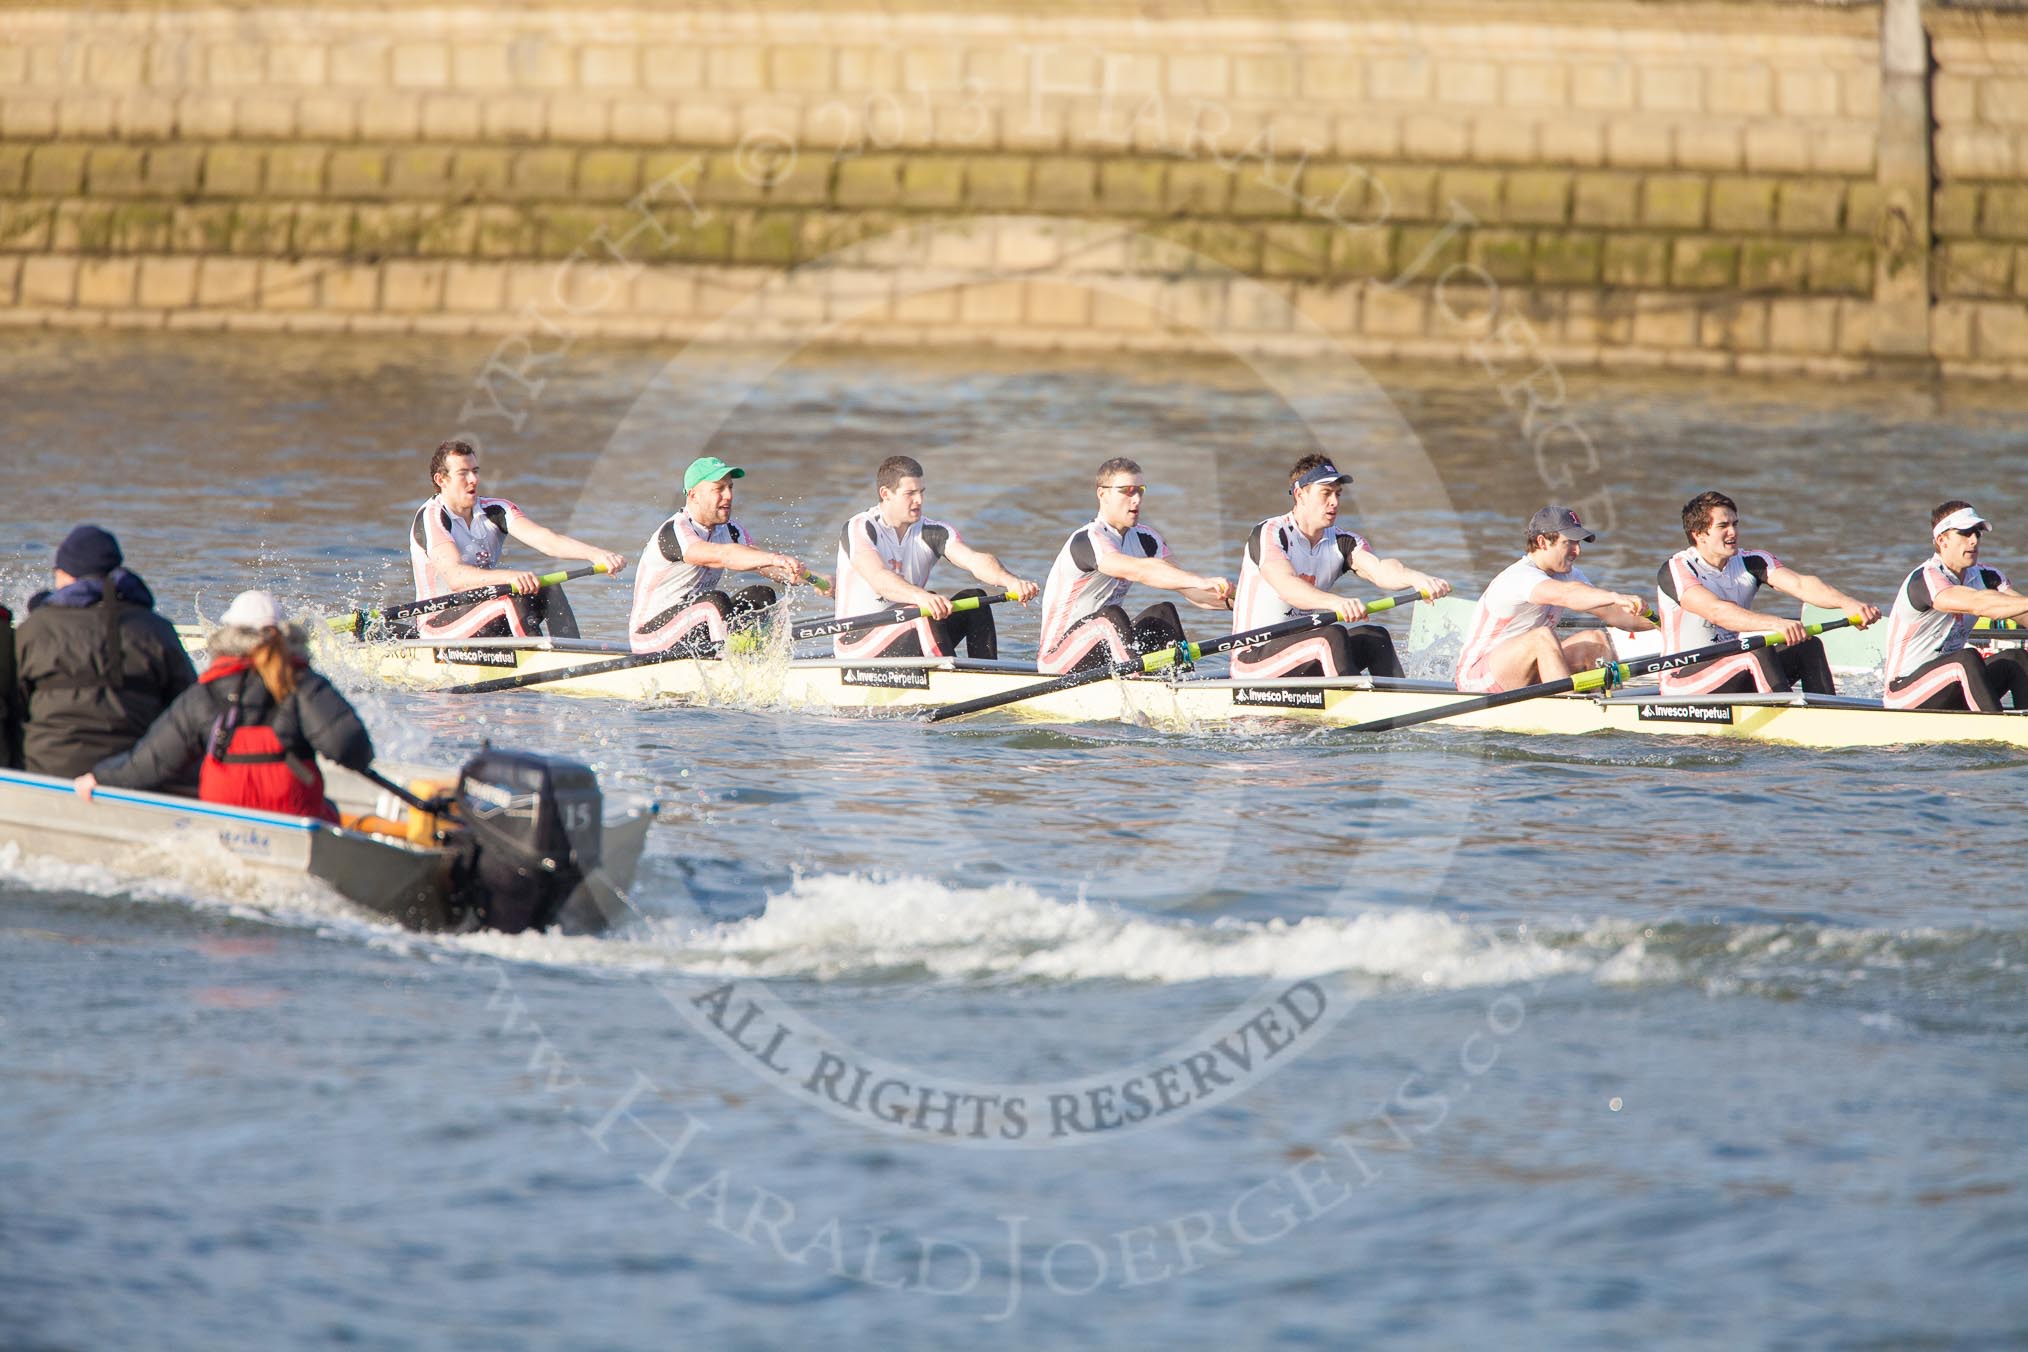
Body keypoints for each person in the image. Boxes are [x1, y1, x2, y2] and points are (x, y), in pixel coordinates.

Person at [76, 591, 373, 822]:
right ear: (285, 636)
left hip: (223, 813)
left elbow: (149, 763)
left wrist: (101, 776)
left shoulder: (204, 692)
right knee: (330, 808)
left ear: (228, 635)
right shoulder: (303, 683)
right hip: (293, 813)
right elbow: (352, 749)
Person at [1229, 455, 1452, 680]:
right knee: (1330, 636)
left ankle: (1403, 702)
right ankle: (1356, 706)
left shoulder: (1342, 541)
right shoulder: (1271, 533)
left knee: (1374, 636)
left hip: (1303, 656)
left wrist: (1416, 578)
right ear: (1300, 495)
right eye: (1326, 493)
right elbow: (1286, 585)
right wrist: (1336, 602)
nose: (1334, 502)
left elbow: (1380, 569)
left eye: (1338, 494)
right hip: (1252, 660)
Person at [12, 524, 198, 779]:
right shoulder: (156, 629)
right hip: (134, 775)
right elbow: (186, 708)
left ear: (66, 575)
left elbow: (12, 705)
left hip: (47, 768)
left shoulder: (34, 629)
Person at [1655, 490, 1879, 697]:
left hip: (1731, 668)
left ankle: (1827, 712)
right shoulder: (1678, 569)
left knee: (1806, 643)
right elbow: (1717, 612)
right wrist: (1776, 624)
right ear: (1699, 535)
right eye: (1723, 526)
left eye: (1735, 523)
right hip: (1682, 679)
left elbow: (1801, 584)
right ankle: (1785, 721)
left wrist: (1847, 603)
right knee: (1757, 649)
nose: (1733, 532)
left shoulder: (1751, 562)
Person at [408, 439, 626, 640]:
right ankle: (541, 663)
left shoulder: (496, 510)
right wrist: (511, 577)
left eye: (475, 471)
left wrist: (597, 555)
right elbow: (455, 576)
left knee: (547, 587)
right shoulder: (432, 517)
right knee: (513, 594)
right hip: (439, 624)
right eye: (463, 473)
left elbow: (547, 540)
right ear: (441, 479)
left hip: (485, 610)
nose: (473, 479)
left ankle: (574, 654)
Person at [1035, 457, 1234, 675]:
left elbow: (1190, 590)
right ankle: (1137, 684)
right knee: (1110, 616)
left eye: (1140, 490)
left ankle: (1184, 681)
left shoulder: (1146, 538)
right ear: (1103, 494)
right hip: (1058, 659)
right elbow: (1141, 571)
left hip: (1104, 645)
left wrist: (1236, 601)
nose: (1136, 499)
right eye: (1127, 491)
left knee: (1162, 613)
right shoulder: (1088, 540)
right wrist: (1200, 580)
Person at [831, 455, 1038, 660]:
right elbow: (879, 579)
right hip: (856, 641)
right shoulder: (860, 527)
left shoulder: (934, 531)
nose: (919, 500)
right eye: (910, 493)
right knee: (924, 609)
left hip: (910, 626)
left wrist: (1010, 581)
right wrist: (922, 597)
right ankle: (952, 681)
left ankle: (988, 674)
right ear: (886, 494)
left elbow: (974, 560)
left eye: (921, 492)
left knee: (975, 600)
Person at [630, 456, 819, 653]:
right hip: (651, 637)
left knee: (761, 595)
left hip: (695, 625)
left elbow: (761, 563)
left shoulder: (731, 530)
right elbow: (723, 555)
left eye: (730, 487)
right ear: (694, 495)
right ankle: (727, 663)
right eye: (718, 489)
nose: (728, 495)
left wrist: (815, 579)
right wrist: (773, 557)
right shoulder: (674, 531)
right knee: (714, 602)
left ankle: (760, 659)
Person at [1455, 506, 1654, 693]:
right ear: (1542, 542)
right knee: (1542, 637)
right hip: (1477, 678)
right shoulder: (1519, 577)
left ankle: (1610, 707)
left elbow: (1612, 613)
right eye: (1569, 543)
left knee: (1596, 639)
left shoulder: (1569, 574)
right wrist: (1614, 596)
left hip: (1525, 669)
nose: (1578, 551)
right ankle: (1567, 713)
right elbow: (1567, 595)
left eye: (1578, 543)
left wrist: (1667, 622)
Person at [1880, 501, 2028, 711]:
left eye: (1977, 533)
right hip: (1904, 693)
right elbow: (1980, 605)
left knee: (2017, 658)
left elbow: (2022, 612)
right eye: (1965, 533)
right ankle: (1994, 733)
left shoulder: (1988, 576)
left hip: (1953, 682)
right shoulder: (1926, 579)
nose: (1974, 540)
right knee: (1965, 658)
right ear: (1942, 540)